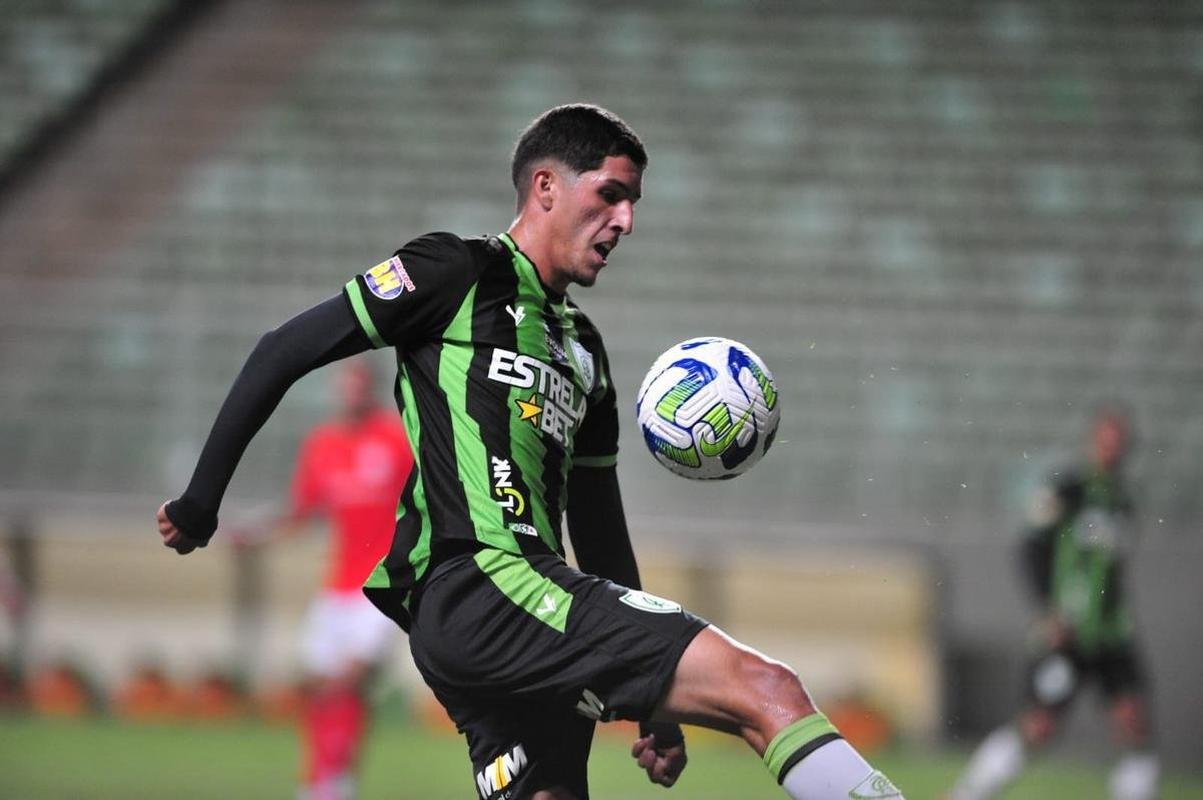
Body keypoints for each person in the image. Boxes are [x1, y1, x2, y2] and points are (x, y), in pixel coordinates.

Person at [157, 104, 901, 800]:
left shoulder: (585, 353)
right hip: (479, 583)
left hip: (516, 613)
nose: (626, 221)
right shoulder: (455, 272)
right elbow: (284, 348)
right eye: (610, 195)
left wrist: (654, 711)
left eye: (633, 202)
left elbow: (600, 526)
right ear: (545, 187)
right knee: (766, 690)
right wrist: (200, 503)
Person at [948, 409, 1158, 800]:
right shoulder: (1069, 489)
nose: (1111, 450)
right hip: (1067, 632)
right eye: (1105, 440)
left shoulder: (1124, 502)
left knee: (1133, 721)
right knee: (1038, 725)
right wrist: (1049, 609)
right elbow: (1031, 547)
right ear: (1092, 441)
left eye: (1118, 443)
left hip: (1112, 633)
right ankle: (966, 793)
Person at [233, 359, 412, 800]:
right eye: (344, 387)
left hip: (383, 584)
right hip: (336, 589)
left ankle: (336, 783)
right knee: (317, 689)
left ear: (370, 389)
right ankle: (322, 783)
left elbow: (426, 502)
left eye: (358, 385)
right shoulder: (323, 444)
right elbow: (302, 510)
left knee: (347, 682)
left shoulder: (396, 439)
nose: (350, 394)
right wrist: (256, 533)